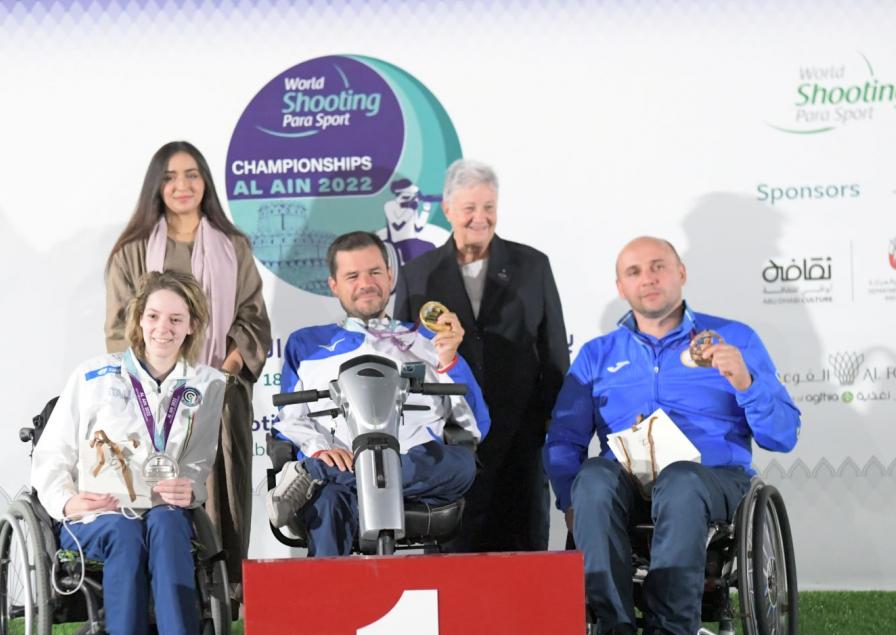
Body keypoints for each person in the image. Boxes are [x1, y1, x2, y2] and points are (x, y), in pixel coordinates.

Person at [546, 236, 800, 635]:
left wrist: (744, 381)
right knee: (591, 480)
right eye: (635, 272)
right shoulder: (597, 355)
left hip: (713, 479)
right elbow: (564, 440)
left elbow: (782, 435)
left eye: (659, 266)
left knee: (681, 481)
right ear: (620, 288)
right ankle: (616, 634)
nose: (649, 279)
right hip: (627, 481)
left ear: (681, 273)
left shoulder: (734, 339)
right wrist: (568, 497)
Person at [34, 271, 227, 635]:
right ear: (139, 321)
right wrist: (66, 501)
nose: (163, 327)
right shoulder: (94, 375)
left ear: (191, 326)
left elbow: (200, 461)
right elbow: (52, 455)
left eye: (176, 319)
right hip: (98, 515)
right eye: (154, 316)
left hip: (160, 509)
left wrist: (190, 486)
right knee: (125, 531)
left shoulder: (207, 384)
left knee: (165, 522)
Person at [104, 141, 271, 595]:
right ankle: (165, 594)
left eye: (192, 174)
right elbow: (121, 328)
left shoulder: (232, 246)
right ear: (156, 186)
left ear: (206, 182)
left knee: (219, 492)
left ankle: (222, 597)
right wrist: (161, 375)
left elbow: (253, 316)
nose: (182, 185)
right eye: (171, 176)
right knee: (159, 494)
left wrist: (225, 368)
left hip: (217, 394)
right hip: (151, 400)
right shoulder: (132, 251)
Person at [267, 231, 489, 556]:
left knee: (461, 464)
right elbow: (288, 421)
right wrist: (318, 450)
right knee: (328, 502)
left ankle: (314, 475)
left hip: (413, 465)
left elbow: (475, 427)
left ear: (389, 276)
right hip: (343, 464)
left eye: (374, 272)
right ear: (334, 285)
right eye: (352, 276)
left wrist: (448, 360)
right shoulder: (307, 344)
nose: (365, 283)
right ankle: (329, 606)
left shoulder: (429, 339)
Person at [394, 159, 569, 553]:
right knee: (454, 555)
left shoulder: (533, 265)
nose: (480, 217)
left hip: (521, 438)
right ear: (448, 210)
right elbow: (406, 358)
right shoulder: (417, 274)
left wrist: (549, 424)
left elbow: (555, 352)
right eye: (470, 208)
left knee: (524, 549)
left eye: (489, 206)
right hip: (449, 441)